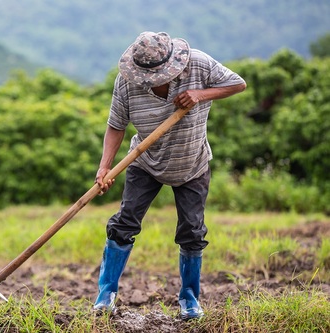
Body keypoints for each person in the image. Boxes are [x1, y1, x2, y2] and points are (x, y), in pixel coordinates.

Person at [93, 31, 247, 320]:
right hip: (145, 161)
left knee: (192, 231)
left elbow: (238, 84)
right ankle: (105, 296)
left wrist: (200, 94)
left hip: (192, 163)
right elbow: (116, 125)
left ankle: (189, 300)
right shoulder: (127, 82)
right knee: (124, 223)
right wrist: (105, 167)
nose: (152, 81)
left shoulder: (199, 64)